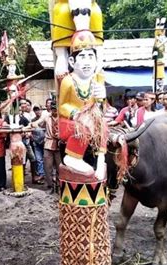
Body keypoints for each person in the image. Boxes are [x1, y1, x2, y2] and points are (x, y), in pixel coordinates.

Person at [58, 30, 107, 179]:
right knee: (83, 128)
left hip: (91, 119)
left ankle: (100, 160)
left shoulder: (97, 79)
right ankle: (73, 158)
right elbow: (62, 106)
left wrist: (102, 98)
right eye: (83, 57)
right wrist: (77, 114)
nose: (87, 62)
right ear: (72, 62)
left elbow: (101, 107)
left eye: (91, 57)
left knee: (103, 126)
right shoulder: (68, 81)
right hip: (71, 122)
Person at [31, 105, 46, 184]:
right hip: (36, 143)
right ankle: (41, 174)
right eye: (35, 110)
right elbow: (31, 131)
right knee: (38, 159)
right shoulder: (32, 120)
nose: (37, 111)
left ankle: (50, 175)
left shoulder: (45, 119)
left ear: (41, 110)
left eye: (38, 109)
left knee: (47, 159)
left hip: (45, 142)